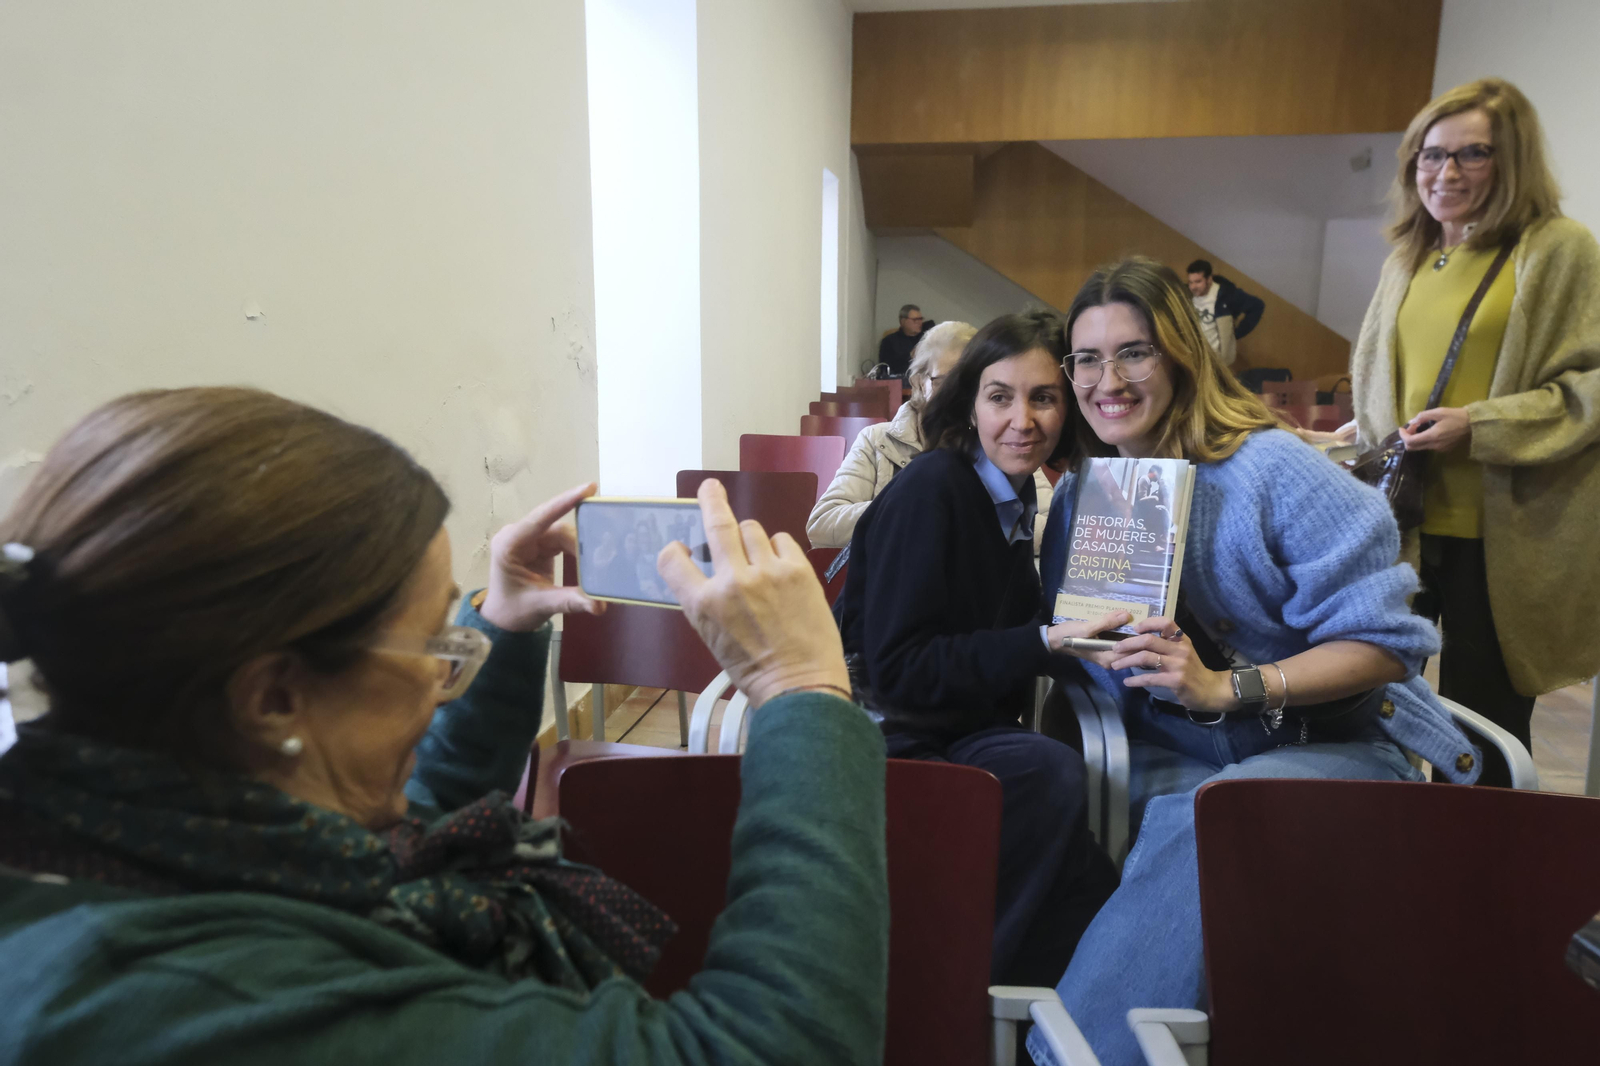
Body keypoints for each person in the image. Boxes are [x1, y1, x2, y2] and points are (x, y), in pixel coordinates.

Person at [0, 387, 889, 1065]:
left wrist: (502, 627)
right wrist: (800, 688)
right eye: (434, 641)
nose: (443, 675)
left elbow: (404, 828)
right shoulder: (188, 1003)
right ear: (272, 698)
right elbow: (763, 1050)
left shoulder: (144, 827)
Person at [1026, 259, 1480, 1066]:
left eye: (1134, 353)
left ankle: (1071, 1055)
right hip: (1174, 743)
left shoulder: (1275, 471)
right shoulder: (1085, 494)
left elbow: (1387, 646)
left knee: (1209, 817)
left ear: (1181, 354)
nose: (1107, 381)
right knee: (1050, 803)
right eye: (1087, 359)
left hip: (1327, 741)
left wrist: (1225, 685)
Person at [834, 312, 1120, 989]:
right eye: (1000, 397)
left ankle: (1024, 1016)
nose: (1023, 420)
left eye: (1044, 397)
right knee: (1050, 776)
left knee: (1091, 890)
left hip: (954, 723)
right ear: (969, 405)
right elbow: (899, 671)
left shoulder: (1016, 493)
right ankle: (949, 992)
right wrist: (1046, 642)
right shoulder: (935, 488)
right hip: (886, 731)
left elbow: (994, 636)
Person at [1350, 78, 1600, 788]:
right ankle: (1388, 833)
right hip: (1402, 522)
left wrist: (1479, 425)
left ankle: (1480, 854)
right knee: (1371, 696)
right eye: (1431, 155)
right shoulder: (1410, 255)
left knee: (1484, 723)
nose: (1446, 172)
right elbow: (1387, 377)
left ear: (1512, 159)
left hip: (1503, 537)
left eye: (1473, 154)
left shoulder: (1557, 249)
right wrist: (1375, 424)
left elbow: (1590, 387)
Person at [809, 321, 1055, 553]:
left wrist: (969, 517)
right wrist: (919, 508)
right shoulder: (877, 440)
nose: (961, 395)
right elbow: (822, 525)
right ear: (918, 382)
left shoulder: (1004, 441)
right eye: (945, 382)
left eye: (973, 384)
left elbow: (1053, 529)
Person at [1185, 259, 1265, 366]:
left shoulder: (1226, 295)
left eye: (1198, 281)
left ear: (1209, 279)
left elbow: (1257, 306)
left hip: (1216, 361)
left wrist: (1235, 334)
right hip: (1193, 357)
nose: (1193, 287)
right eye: (1190, 282)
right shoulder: (1187, 294)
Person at [875, 303, 926, 377]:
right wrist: (910, 356)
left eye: (920, 319)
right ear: (903, 321)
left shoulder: (926, 339)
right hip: (899, 380)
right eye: (915, 320)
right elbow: (885, 368)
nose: (919, 322)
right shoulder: (889, 341)